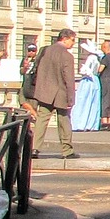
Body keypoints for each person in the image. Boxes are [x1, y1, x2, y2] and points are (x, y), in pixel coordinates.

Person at [30, 28, 80, 158]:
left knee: (41, 120)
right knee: (64, 122)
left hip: (45, 91)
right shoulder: (66, 55)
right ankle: (67, 150)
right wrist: (71, 98)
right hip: (60, 93)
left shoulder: (45, 50)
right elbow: (69, 79)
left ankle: (34, 149)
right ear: (64, 38)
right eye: (72, 40)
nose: (73, 43)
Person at [71, 43, 103, 131]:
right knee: (93, 103)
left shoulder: (90, 58)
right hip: (95, 81)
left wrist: (82, 70)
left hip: (88, 80)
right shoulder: (97, 59)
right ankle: (91, 125)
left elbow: (85, 70)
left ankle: (80, 124)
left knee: (83, 101)